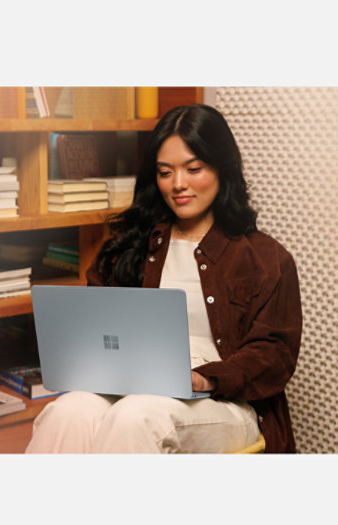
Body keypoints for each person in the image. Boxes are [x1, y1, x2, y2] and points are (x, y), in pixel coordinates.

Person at [25, 104, 302, 453]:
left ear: (222, 168)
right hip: (132, 388)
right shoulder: (128, 246)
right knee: (68, 412)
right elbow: (97, 330)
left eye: (193, 168)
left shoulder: (266, 258)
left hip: (223, 401)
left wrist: (207, 377)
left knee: (135, 416)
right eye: (165, 172)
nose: (178, 184)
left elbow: (274, 355)